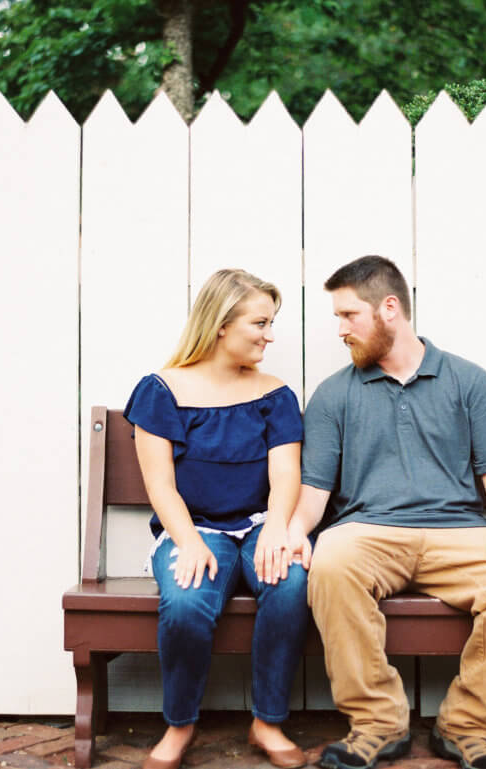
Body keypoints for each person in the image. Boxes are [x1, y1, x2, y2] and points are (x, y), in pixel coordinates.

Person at [285, 256, 486, 769]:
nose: (341, 329)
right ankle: (377, 724)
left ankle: (466, 727)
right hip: (367, 534)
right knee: (330, 562)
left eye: (349, 315)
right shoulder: (333, 395)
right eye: (338, 318)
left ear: (390, 308)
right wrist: (297, 530)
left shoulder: (468, 381)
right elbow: (315, 490)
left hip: (459, 534)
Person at [124, 269, 309, 769]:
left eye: (272, 323)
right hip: (194, 529)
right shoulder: (160, 391)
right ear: (222, 324)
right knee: (185, 603)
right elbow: (160, 485)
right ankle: (179, 724)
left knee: (290, 584)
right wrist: (187, 541)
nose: (270, 335)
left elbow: (286, 473)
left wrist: (276, 526)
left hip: (258, 524)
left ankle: (267, 721)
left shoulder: (275, 395)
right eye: (261, 323)